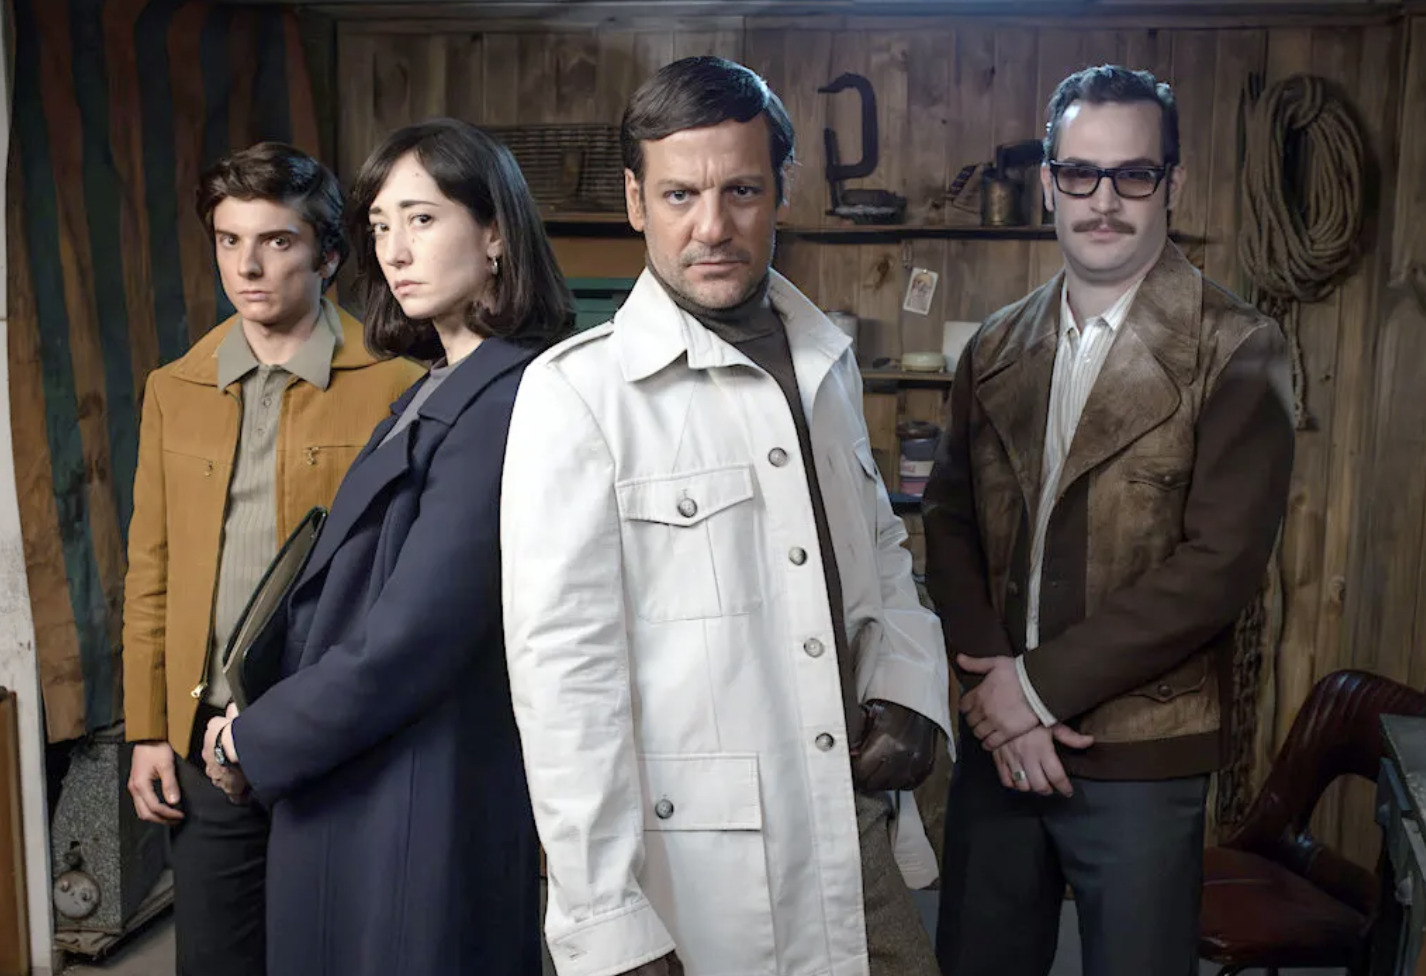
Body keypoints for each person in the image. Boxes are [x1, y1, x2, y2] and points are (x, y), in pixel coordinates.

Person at [501, 56, 951, 976]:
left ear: (782, 188)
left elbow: (879, 547)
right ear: (636, 202)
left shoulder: (825, 361)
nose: (712, 227)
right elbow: (565, 681)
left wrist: (910, 683)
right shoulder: (579, 395)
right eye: (680, 195)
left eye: (741, 190)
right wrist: (606, 919)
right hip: (702, 871)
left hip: (855, 823)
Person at [924, 65, 1295, 976]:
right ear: (1049, 183)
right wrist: (999, 695)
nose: (1104, 200)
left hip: (1139, 755)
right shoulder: (994, 344)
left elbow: (1217, 569)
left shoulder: (1239, 347)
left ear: (1172, 183)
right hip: (997, 745)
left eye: (1133, 174)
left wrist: (1035, 690)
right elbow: (948, 519)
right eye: (1081, 173)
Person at [197, 119, 574, 976]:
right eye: (378, 226)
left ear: (495, 234)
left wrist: (256, 739)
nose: (394, 251)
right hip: (363, 770)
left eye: (422, 219)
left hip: (416, 788)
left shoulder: (508, 400)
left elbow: (411, 637)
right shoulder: (440, 384)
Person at [121, 141, 421, 976]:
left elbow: (404, 587)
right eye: (229, 241)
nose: (247, 267)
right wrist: (148, 732)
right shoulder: (175, 388)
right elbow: (150, 570)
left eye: (276, 241)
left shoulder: (397, 385)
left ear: (328, 256)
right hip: (205, 742)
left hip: (338, 741)